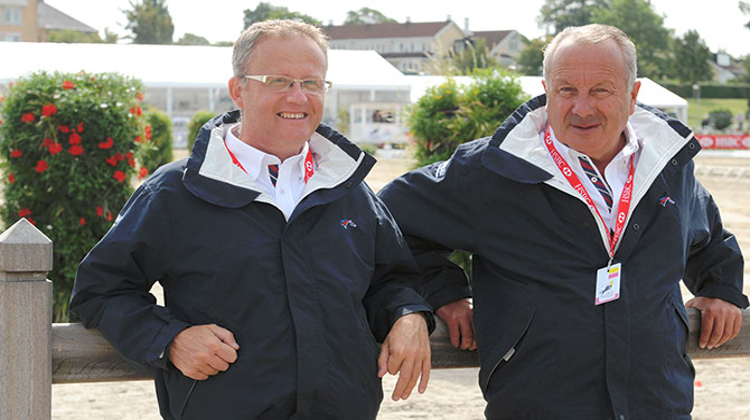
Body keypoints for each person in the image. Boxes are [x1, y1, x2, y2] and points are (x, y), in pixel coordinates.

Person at [378, 24, 747, 419]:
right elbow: (390, 219)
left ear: (633, 95)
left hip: (658, 405)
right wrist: (442, 292)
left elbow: (705, 231)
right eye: (566, 90)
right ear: (546, 90)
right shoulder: (494, 169)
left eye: (600, 90)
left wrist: (720, 287)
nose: (582, 108)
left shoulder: (667, 163)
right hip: (537, 406)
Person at [70, 19, 433, 420]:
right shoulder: (176, 191)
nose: (298, 97)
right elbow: (100, 290)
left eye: (312, 83)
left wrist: (408, 314)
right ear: (238, 89)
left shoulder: (349, 190)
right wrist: (169, 339)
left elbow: (392, 279)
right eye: (279, 80)